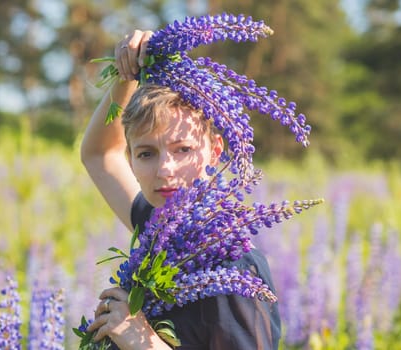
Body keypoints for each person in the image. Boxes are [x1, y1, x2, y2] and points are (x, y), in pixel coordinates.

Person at [81, 29, 281, 350]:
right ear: (130, 157)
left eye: (183, 149)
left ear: (215, 150)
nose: (165, 170)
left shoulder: (233, 267)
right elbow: (98, 155)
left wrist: (144, 341)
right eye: (147, 153)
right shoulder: (159, 226)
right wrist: (126, 75)